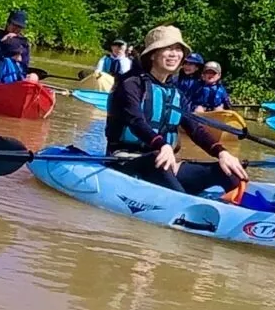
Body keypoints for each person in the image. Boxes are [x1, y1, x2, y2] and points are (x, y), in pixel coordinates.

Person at [106, 25, 249, 197]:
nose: (174, 54)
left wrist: (222, 152)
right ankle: (186, 207)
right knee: (158, 162)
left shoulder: (176, 93)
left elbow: (195, 129)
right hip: (126, 160)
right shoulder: (131, 84)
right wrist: (162, 145)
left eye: (178, 49)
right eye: (168, 49)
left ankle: (237, 213)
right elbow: (136, 121)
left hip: (164, 161)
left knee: (228, 172)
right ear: (152, 54)